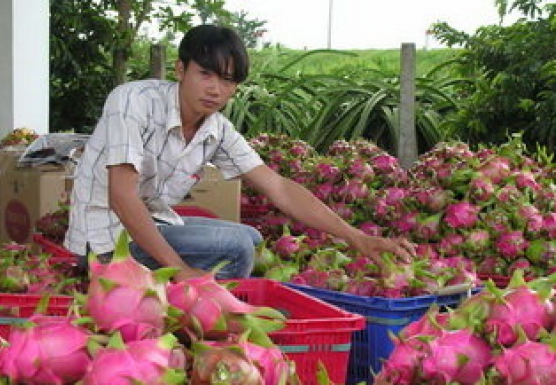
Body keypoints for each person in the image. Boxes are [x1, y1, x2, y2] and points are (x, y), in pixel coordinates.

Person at [65, 24, 413, 281]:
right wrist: (180, 271)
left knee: (251, 237)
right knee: (236, 247)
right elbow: (123, 197)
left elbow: (279, 188)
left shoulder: (215, 129)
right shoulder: (132, 102)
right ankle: (197, 315)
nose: (216, 90)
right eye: (205, 74)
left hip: (149, 224)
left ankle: (186, 301)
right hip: (105, 241)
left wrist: (358, 237)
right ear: (180, 70)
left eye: (229, 81)